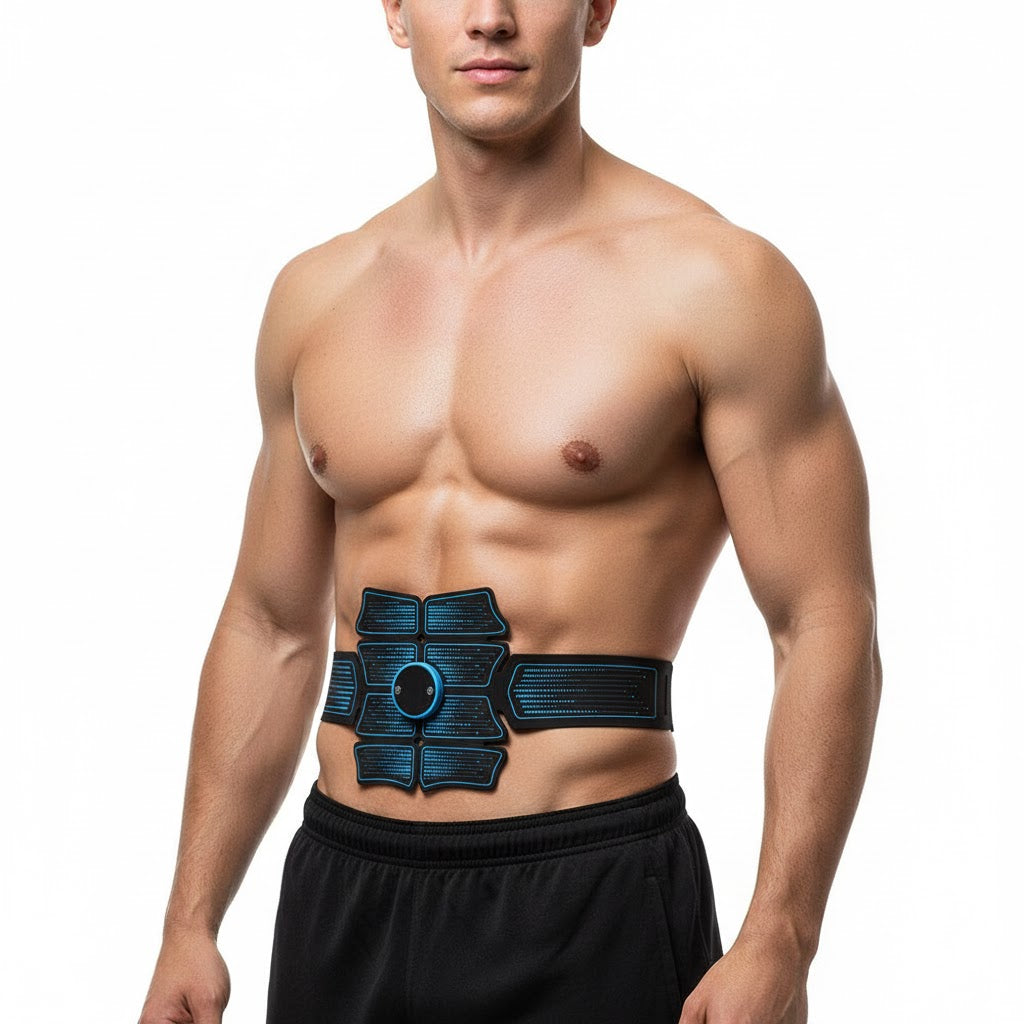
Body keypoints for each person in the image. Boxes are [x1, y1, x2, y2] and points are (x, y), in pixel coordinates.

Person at [138, 1, 882, 1022]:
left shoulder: (715, 283)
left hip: (590, 887)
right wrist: (190, 919)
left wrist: (781, 935)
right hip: (343, 889)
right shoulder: (318, 295)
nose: (490, 18)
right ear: (396, 13)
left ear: (597, 10)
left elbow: (823, 618)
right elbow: (269, 625)